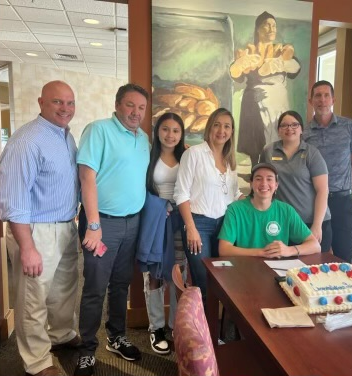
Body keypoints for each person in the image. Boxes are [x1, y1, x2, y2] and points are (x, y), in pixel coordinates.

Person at [0, 80, 80, 376]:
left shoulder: (65, 136)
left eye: (70, 103)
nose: (65, 108)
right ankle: (37, 362)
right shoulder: (27, 141)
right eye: (58, 102)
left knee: (63, 290)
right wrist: (28, 247)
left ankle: (62, 335)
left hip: (65, 227)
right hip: (35, 231)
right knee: (32, 298)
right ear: (41, 102)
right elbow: (14, 202)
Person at [74, 83, 150, 376]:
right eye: (131, 105)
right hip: (101, 224)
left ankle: (117, 337)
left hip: (133, 223)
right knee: (94, 287)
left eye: (141, 108)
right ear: (118, 105)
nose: (136, 112)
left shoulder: (143, 139)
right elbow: (86, 177)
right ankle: (87, 350)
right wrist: (93, 225)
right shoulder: (99, 130)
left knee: (120, 285)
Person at [174, 108, 243, 304]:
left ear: (231, 132)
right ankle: (202, 332)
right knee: (202, 280)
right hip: (198, 224)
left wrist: (257, 200)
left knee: (222, 278)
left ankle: (216, 329)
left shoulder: (230, 160)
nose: (222, 130)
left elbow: (234, 193)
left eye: (227, 126)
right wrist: (191, 228)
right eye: (217, 125)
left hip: (224, 226)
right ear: (209, 127)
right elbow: (181, 194)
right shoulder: (194, 154)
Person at [138, 113, 187, 355]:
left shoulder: (187, 156)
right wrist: (160, 207)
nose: (170, 135)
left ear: (181, 134)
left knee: (178, 273)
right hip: (155, 219)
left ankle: (176, 325)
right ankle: (156, 328)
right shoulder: (147, 155)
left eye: (176, 130)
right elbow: (139, 187)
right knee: (155, 274)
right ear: (158, 131)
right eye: (166, 129)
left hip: (180, 220)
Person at [303, 80, 352, 263]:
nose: (322, 100)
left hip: (342, 202)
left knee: (343, 257)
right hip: (314, 203)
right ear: (311, 101)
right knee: (315, 256)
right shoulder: (304, 133)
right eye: (317, 96)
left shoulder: (351, 127)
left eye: (326, 95)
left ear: (333, 99)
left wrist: (348, 190)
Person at [230, 11, 301, 166]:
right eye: (267, 25)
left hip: (278, 98)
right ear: (258, 29)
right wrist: (240, 64)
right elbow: (237, 76)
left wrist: (280, 63)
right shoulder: (250, 52)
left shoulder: (282, 51)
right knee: (256, 139)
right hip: (255, 98)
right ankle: (256, 168)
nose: (271, 28)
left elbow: (295, 69)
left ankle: (277, 169)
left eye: (274, 25)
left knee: (278, 135)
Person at [259, 110, 332, 252]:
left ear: (301, 129)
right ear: (278, 130)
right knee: (284, 268)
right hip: (283, 222)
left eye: (294, 125)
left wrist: (317, 225)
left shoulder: (312, 153)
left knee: (313, 270)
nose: (289, 129)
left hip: (310, 222)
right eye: (284, 125)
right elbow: (261, 182)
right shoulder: (268, 151)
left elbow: (323, 190)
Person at [219, 163, 320, 257]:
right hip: (245, 268)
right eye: (258, 179)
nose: (264, 183)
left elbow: (315, 245)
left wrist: (289, 250)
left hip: (278, 270)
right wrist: (261, 252)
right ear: (251, 184)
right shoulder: (235, 210)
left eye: (269, 179)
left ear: (276, 185)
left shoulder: (286, 211)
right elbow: (224, 249)